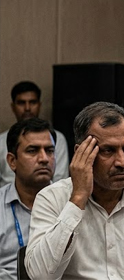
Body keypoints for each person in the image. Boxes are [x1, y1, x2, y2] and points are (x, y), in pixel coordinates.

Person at [25, 102, 124, 279]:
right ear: (82, 153)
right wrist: (77, 199)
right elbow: (39, 275)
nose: (122, 162)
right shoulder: (51, 198)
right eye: (108, 150)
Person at [0, 118, 56, 278]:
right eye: (32, 150)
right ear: (12, 161)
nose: (44, 158)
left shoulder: (71, 203)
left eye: (49, 150)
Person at [0, 81, 69, 187]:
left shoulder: (57, 138)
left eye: (32, 102)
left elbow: (61, 181)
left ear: (39, 105)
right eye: (21, 103)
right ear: (13, 107)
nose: (27, 108)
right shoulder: (1, 141)